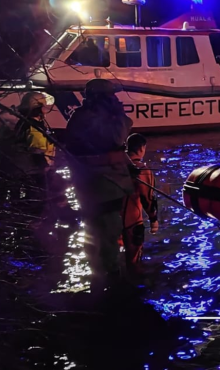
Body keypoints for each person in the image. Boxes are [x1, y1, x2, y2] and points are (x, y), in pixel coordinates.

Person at [63, 78, 135, 290]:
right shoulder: (96, 119)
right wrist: (119, 115)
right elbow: (117, 137)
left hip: (91, 184)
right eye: (112, 96)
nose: (115, 99)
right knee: (109, 231)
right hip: (105, 185)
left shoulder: (79, 117)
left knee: (95, 230)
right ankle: (111, 281)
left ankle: (98, 277)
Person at [12, 92, 61, 213]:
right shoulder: (33, 126)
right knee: (37, 202)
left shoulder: (28, 123)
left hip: (27, 171)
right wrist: (45, 167)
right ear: (37, 107)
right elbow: (37, 150)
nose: (46, 109)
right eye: (44, 106)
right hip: (33, 172)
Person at [120, 133, 158, 279]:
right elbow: (147, 197)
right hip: (131, 222)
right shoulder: (141, 169)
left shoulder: (115, 166)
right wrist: (153, 219)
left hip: (111, 220)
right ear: (142, 148)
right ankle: (135, 289)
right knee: (134, 262)